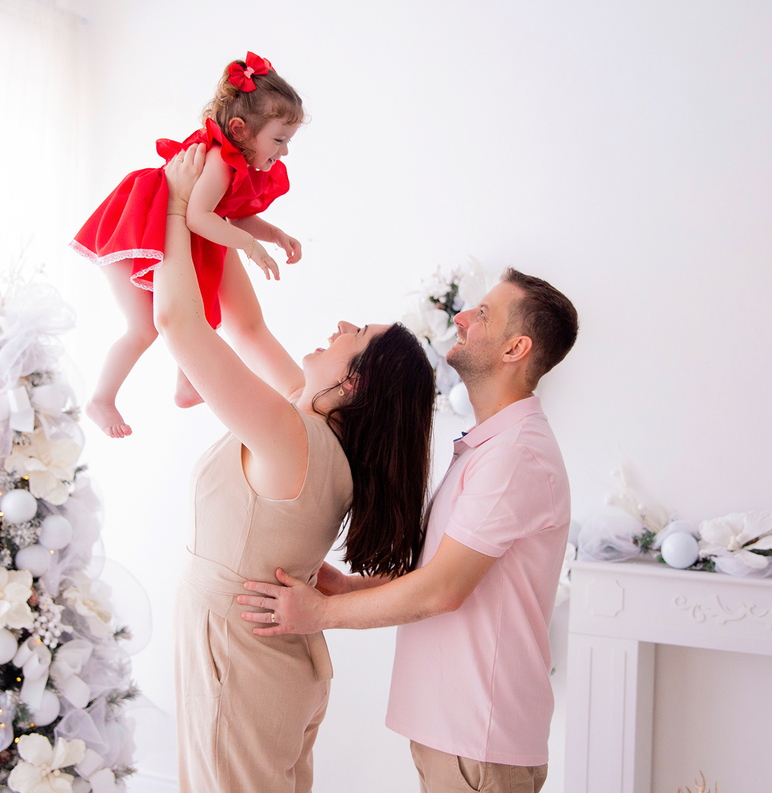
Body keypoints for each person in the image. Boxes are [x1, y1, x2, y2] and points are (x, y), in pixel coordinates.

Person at [152, 143, 437, 793]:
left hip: (242, 665)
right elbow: (245, 326)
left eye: (355, 332)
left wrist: (172, 206)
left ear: (356, 383)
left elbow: (178, 321)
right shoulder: (311, 433)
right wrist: (213, 217)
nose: (339, 324)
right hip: (270, 667)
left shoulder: (294, 437)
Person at [238, 270, 579, 793]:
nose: (462, 317)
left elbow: (444, 589)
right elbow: (447, 576)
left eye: (483, 314)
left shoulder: (515, 457)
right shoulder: (493, 448)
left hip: (478, 743)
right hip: (459, 737)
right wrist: (352, 588)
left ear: (517, 348)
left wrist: (324, 613)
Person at [72, 52, 306, 438]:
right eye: (279, 140)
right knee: (144, 327)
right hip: (136, 226)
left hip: (174, 230)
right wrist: (249, 246)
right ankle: (101, 397)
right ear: (241, 129)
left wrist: (273, 234)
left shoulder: (238, 164)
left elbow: (229, 213)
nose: (283, 152)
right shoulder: (219, 160)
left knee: (202, 310)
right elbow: (198, 216)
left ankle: (186, 383)